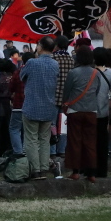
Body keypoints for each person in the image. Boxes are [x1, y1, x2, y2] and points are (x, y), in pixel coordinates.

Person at [61, 45, 105, 182]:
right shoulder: (96, 73)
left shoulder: (73, 73)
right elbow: (97, 91)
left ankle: (75, 171)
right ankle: (91, 172)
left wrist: (65, 103)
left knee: (75, 141)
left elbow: (66, 91)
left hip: (75, 110)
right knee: (90, 141)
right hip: (91, 110)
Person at [19, 36, 59, 180]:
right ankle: (44, 167)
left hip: (32, 106)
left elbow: (21, 76)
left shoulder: (31, 62)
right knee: (44, 140)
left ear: (40, 47)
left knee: (31, 139)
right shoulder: (55, 64)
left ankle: (35, 170)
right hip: (48, 107)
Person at [50, 35, 74, 175]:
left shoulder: (53, 59)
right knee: (63, 126)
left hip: (53, 96)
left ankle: (52, 150)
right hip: (67, 98)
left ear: (57, 46)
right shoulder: (71, 60)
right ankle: (62, 149)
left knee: (52, 125)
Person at [93, 47, 111, 178]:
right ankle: (103, 170)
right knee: (103, 142)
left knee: (91, 141)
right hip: (104, 111)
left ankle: (91, 169)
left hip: (91, 111)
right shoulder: (109, 74)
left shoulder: (91, 73)